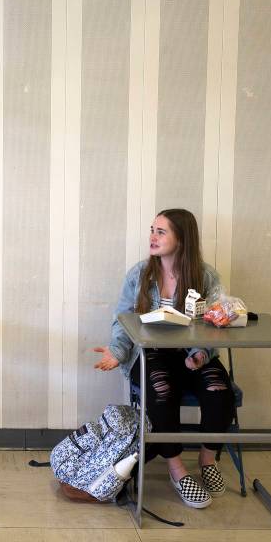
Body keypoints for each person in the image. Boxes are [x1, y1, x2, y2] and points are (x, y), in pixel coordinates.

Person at [92, 208, 234, 509]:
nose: (152, 237)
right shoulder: (140, 274)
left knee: (219, 390)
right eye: (152, 230)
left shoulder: (206, 276)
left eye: (161, 232)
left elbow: (216, 323)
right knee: (160, 391)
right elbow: (123, 321)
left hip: (192, 355)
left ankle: (208, 460)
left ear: (181, 239)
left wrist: (200, 354)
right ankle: (177, 469)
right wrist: (117, 352)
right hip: (150, 355)